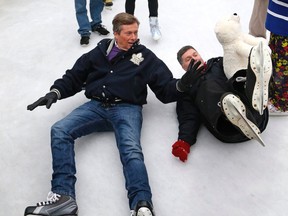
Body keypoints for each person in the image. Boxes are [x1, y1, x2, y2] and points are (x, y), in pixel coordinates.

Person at [24, 12, 197, 216]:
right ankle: (63, 197)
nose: (134, 37)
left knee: (131, 150)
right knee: (60, 130)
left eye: (135, 32)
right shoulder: (98, 52)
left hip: (127, 109)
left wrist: (181, 85)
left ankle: (141, 205)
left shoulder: (145, 57)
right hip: (96, 106)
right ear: (116, 33)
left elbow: (165, 89)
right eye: (128, 33)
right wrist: (55, 92)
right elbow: (74, 76)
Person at [172, 42, 272, 162]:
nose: (194, 58)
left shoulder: (217, 63)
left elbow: (234, 63)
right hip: (228, 128)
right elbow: (189, 117)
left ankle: (255, 88)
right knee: (207, 87)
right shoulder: (187, 89)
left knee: (236, 77)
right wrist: (184, 142)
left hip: (255, 112)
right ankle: (230, 112)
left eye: (195, 54)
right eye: (188, 59)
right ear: (183, 67)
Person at [265, 0, 288, 115]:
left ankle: (282, 105)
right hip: (278, 20)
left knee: (282, 68)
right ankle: (274, 96)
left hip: (284, 24)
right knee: (273, 60)